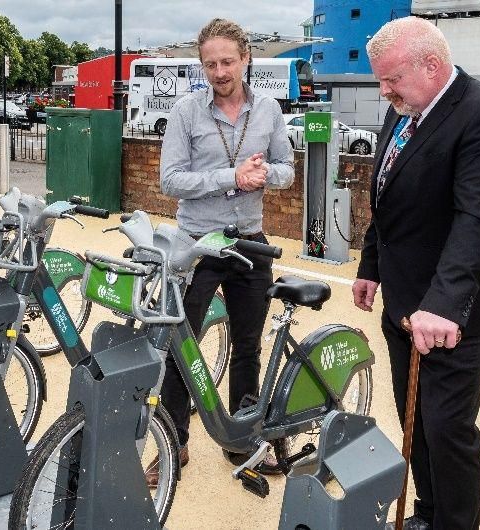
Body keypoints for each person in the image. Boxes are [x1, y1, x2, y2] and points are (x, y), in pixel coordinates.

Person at [352, 17, 480, 530]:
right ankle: (427, 513)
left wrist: (443, 305)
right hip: (403, 302)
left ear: (431, 64)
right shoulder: (405, 109)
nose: (384, 92)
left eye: (391, 79)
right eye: (380, 81)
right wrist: (370, 266)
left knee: (447, 427)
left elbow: (478, 219)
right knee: (413, 418)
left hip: (455, 312)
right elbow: (386, 197)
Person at [148, 18, 294, 486]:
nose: (219, 71)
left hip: (249, 241)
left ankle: (241, 441)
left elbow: (288, 171)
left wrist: (261, 174)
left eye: (227, 61)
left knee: (249, 343)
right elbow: (170, 181)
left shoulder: (269, 110)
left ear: (246, 58)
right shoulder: (187, 112)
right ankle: (175, 443)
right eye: (210, 63)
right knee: (178, 345)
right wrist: (231, 177)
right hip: (198, 245)